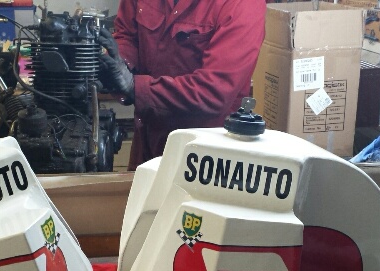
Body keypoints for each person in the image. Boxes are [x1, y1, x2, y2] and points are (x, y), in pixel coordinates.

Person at [98, 0, 267, 170]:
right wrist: (119, 62)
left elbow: (213, 91)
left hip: (205, 159)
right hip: (148, 140)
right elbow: (128, 35)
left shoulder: (242, 4)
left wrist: (134, 86)